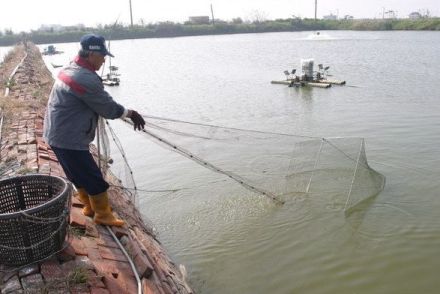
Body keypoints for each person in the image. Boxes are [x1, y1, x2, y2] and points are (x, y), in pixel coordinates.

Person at [43, 34, 145, 227]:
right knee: (93, 177)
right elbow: (107, 108)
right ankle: (103, 215)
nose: (104, 60)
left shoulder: (71, 67)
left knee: (76, 175)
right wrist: (130, 113)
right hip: (68, 137)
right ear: (91, 54)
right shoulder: (84, 78)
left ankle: (89, 207)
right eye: (102, 56)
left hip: (56, 133)